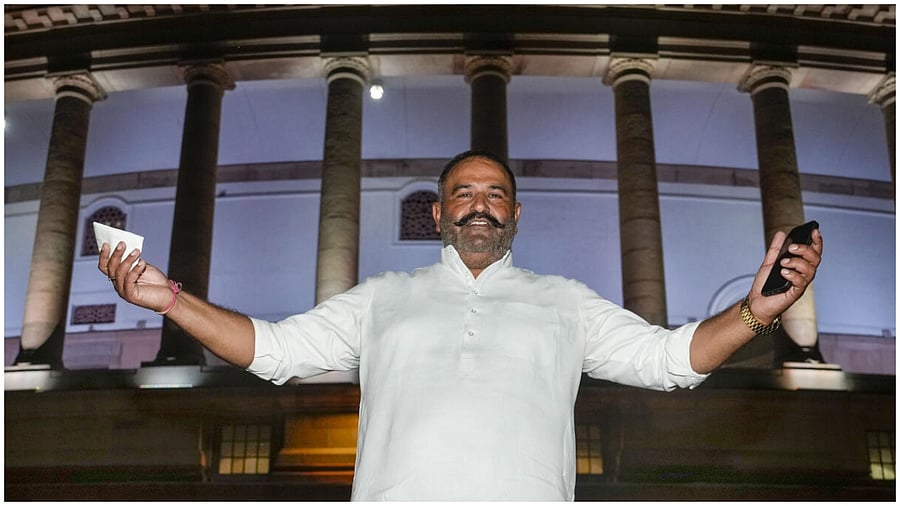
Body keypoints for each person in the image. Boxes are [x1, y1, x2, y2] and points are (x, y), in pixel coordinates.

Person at [100, 149, 823, 501]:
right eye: (464, 193)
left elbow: (669, 361)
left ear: (516, 214)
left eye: (496, 194)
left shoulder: (566, 301)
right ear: (439, 213)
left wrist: (755, 312)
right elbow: (275, 350)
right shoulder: (381, 297)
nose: (480, 205)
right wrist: (171, 301)